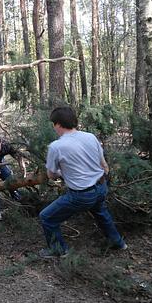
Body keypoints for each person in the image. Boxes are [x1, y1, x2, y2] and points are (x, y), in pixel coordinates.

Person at [39, 106, 126, 258]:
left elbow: (51, 175)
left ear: (58, 124)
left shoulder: (56, 146)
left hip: (81, 195)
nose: (54, 127)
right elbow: (103, 164)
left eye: (54, 124)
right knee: (101, 213)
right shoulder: (90, 137)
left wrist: (63, 172)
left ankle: (59, 249)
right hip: (101, 187)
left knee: (47, 217)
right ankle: (118, 242)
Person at [0, 133, 26, 220]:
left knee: (9, 179)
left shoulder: (6, 146)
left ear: (1, 143)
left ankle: (19, 200)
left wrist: (22, 166)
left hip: (0, 162)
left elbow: (17, 156)